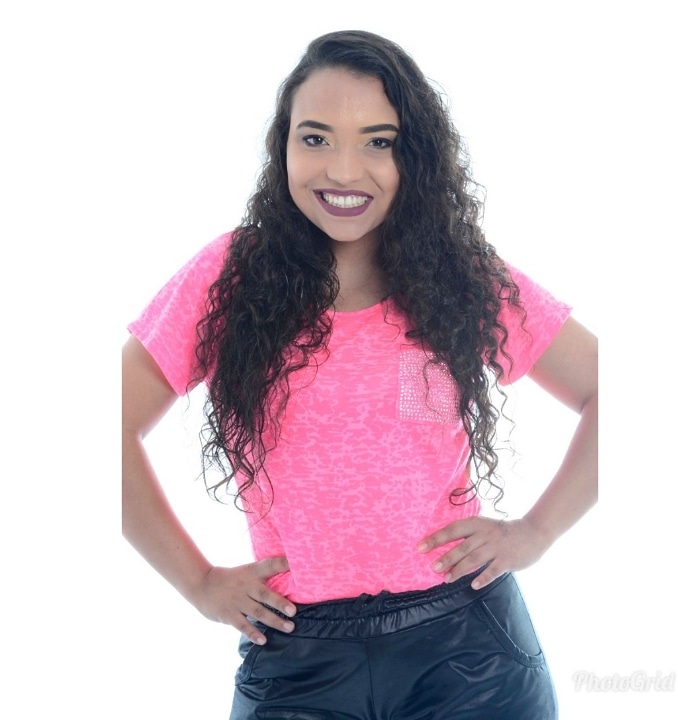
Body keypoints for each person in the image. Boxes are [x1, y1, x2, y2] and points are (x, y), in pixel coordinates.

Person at [122, 29, 597, 719]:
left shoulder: (462, 275)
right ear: (283, 146)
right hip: (295, 656)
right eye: (315, 138)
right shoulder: (229, 278)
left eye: (378, 141)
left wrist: (538, 531)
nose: (344, 170)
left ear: (413, 155)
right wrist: (198, 583)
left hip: (468, 653)